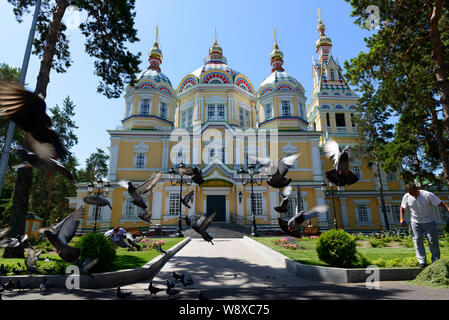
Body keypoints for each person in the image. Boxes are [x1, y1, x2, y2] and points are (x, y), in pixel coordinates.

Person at [400, 182, 449, 268]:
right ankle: (422, 262)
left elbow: (440, 203)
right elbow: (402, 207)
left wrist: (448, 209)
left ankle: (436, 261)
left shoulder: (427, 194)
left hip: (429, 222)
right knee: (417, 241)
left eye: (414, 193)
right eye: (411, 193)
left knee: (432, 241)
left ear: (416, 189)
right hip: (415, 222)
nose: (413, 195)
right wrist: (402, 218)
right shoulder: (407, 196)